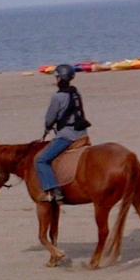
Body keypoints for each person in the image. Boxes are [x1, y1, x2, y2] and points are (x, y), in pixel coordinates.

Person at [37, 64, 91, 203]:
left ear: (61, 79)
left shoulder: (58, 97)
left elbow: (50, 119)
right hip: (82, 134)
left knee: (41, 160)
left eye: (57, 77)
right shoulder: (76, 93)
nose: (56, 79)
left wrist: (48, 128)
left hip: (68, 136)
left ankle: (54, 190)